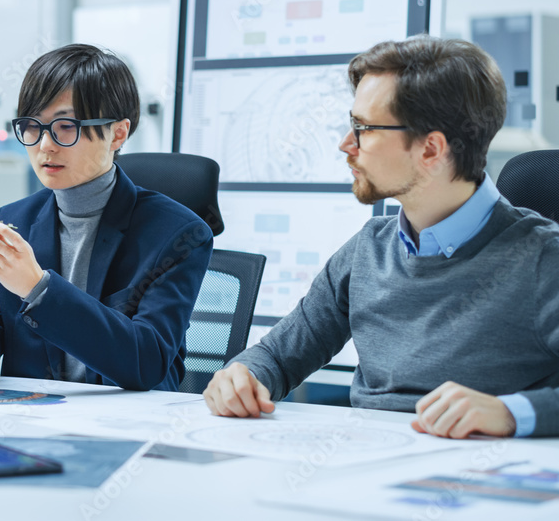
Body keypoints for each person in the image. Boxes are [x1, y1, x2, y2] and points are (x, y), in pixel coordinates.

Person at [203, 35, 559, 438]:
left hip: (476, 483)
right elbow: (278, 355)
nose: (345, 144)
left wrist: (511, 413)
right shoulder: (369, 247)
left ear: (431, 149)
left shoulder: (543, 257)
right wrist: (244, 376)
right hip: (364, 468)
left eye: (364, 129)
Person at [0, 44, 213, 391]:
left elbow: (147, 364)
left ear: (118, 133)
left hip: (128, 431)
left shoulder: (179, 234)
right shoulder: (14, 220)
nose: (44, 145)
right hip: (31, 427)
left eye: (65, 126)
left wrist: (38, 288)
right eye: (32, 126)